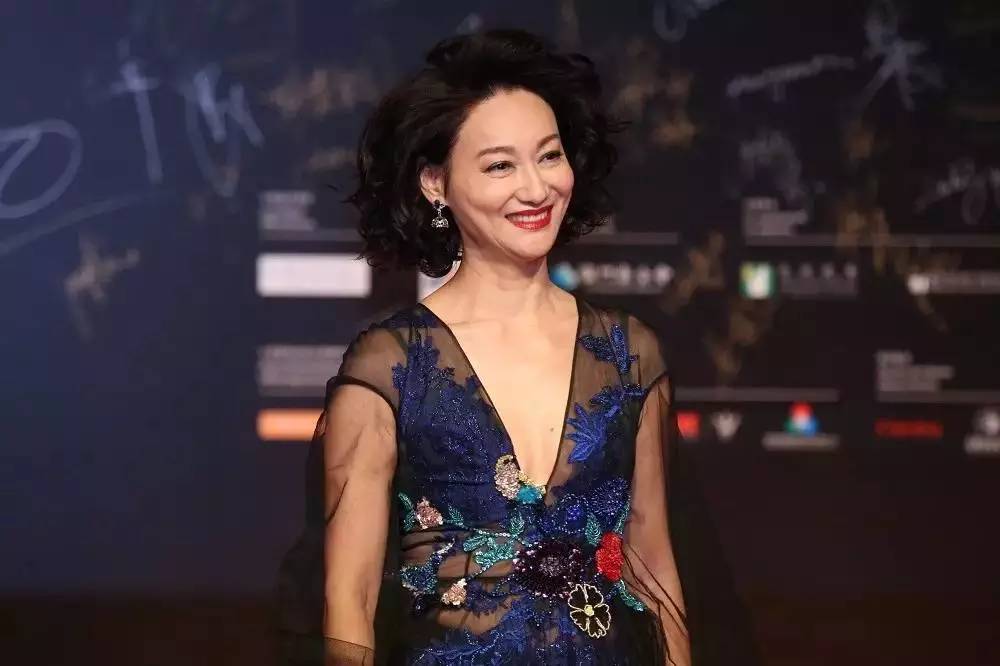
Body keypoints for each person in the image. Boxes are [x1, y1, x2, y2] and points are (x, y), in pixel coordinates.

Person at [276, 28, 749, 665]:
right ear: (435, 183)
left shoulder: (627, 354)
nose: (536, 188)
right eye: (500, 165)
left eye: (549, 156)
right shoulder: (390, 367)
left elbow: (652, 564)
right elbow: (350, 596)